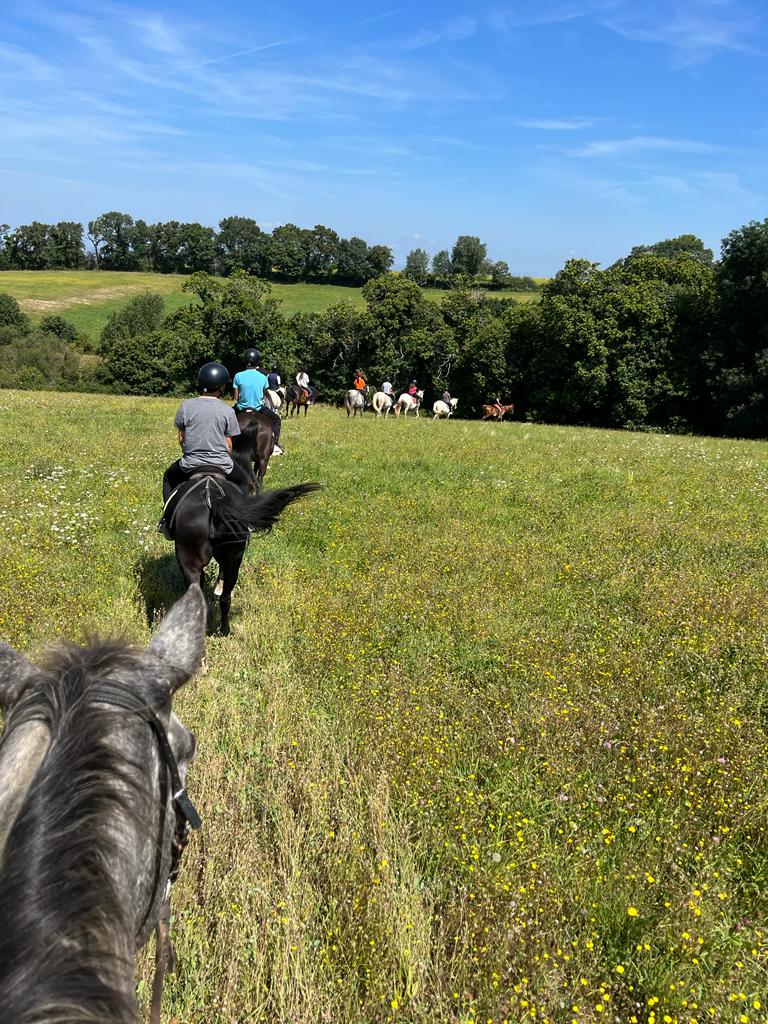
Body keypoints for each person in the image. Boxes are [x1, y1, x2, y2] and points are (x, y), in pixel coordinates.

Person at [158, 362, 250, 537]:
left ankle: (167, 520)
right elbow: (229, 445)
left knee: (168, 477)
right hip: (221, 464)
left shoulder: (186, 406)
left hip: (190, 464)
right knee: (243, 480)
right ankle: (243, 519)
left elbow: (181, 439)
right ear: (222, 386)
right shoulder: (226, 410)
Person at [233, 348, 284, 456]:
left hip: (240, 408)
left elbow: (236, 397)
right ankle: (274, 444)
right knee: (276, 420)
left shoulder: (237, 376)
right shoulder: (263, 377)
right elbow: (264, 393)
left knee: (224, 419)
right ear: (257, 362)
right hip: (258, 408)